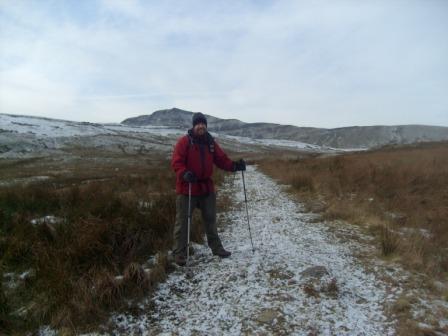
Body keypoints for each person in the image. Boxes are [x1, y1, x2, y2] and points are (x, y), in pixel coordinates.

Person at [171, 112, 246, 266]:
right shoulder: (184, 142)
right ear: (194, 126)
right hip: (188, 188)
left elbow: (221, 160)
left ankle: (217, 248)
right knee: (183, 222)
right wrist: (184, 173)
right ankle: (179, 253)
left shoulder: (211, 143)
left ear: (206, 125)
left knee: (211, 220)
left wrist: (234, 166)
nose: (201, 126)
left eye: (203, 124)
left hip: (206, 187)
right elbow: (176, 162)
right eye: (198, 124)